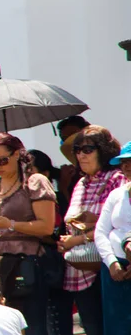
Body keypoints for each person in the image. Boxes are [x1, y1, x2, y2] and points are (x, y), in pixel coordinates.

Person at [0, 133, 56, 335]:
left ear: (17, 154)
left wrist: (12, 224)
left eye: (2, 160)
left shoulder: (35, 183)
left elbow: (46, 227)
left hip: (27, 264)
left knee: (32, 326)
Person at [58, 125, 125, 335]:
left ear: (103, 150)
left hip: (109, 263)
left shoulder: (117, 178)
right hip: (81, 264)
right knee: (92, 327)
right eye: (77, 150)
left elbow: (117, 225)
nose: (81, 155)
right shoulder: (81, 183)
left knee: (113, 326)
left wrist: (76, 240)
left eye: (88, 149)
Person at [27, 149, 68, 335]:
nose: (27, 176)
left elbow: (53, 232)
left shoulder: (56, 199)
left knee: (55, 321)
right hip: (31, 267)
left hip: (50, 263)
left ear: (45, 174)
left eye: (30, 170)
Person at [93, 144, 131, 335]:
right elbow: (100, 231)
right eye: (123, 163)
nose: (127, 166)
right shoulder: (116, 194)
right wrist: (112, 263)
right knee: (117, 326)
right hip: (116, 270)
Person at [57, 116, 91, 202]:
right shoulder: (73, 175)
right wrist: (64, 183)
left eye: (73, 136)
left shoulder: (114, 173)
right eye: (65, 139)